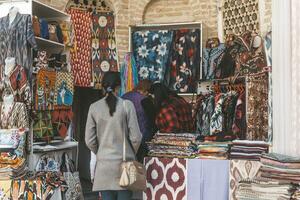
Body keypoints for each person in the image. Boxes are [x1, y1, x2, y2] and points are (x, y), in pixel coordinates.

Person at [85, 72, 142, 200]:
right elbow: (136, 138)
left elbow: (89, 140)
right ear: (119, 87)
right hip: (124, 166)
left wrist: (101, 152)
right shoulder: (127, 105)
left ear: (103, 87)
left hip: (103, 168)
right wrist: (130, 153)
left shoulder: (94, 108)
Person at [122, 79, 157, 162]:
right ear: (147, 90)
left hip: (124, 138)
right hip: (141, 138)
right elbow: (152, 120)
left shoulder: (124, 96)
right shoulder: (144, 100)